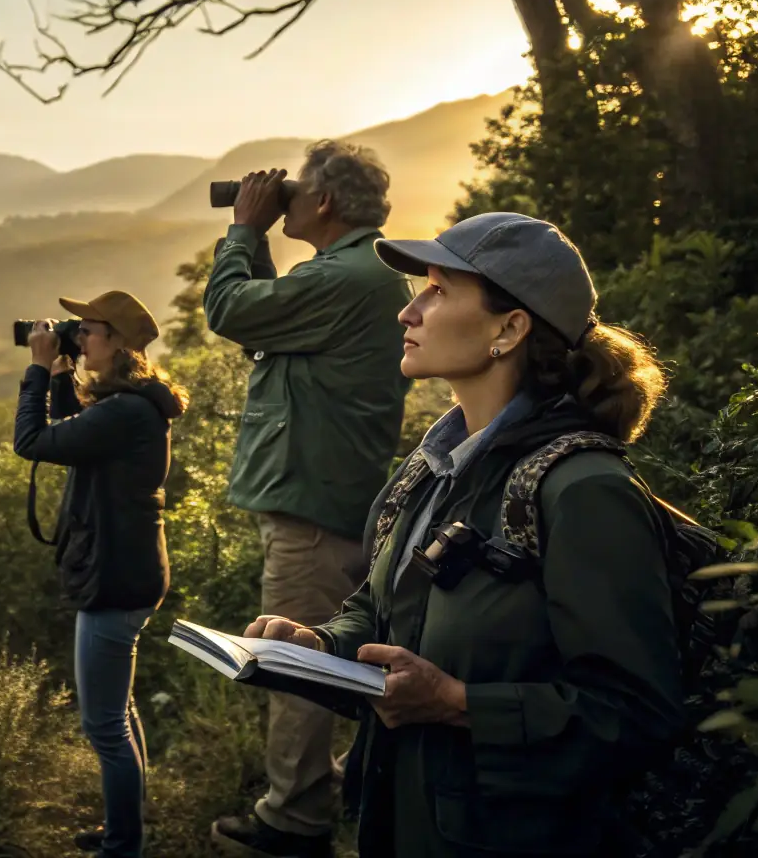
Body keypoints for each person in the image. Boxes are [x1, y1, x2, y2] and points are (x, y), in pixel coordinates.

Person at [245, 211, 686, 858]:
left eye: (438, 291)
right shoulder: (433, 468)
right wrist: (313, 648)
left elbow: (635, 714)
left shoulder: (582, 491)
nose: (409, 311)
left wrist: (457, 703)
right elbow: (382, 613)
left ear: (508, 329)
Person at [205, 143, 412, 858]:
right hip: (330, 499)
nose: (281, 198)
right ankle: (331, 790)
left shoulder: (351, 275)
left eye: (293, 190)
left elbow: (230, 310)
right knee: (326, 656)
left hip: (316, 512)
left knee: (294, 663)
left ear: (323, 202)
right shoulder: (355, 273)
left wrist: (242, 230)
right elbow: (266, 325)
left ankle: (291, 821)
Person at [13, 290, 189, 858]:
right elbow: (76, 437)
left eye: (87, 330)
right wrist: (63, 378)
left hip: (114, 581)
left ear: (117, 341)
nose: (78, 337)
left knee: (104, 726)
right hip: (129, 571)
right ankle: (124, 830)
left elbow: (33, 442)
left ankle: (122, 846)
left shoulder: (125, 411)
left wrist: (38, 371)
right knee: (121, 713)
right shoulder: (132, 406)